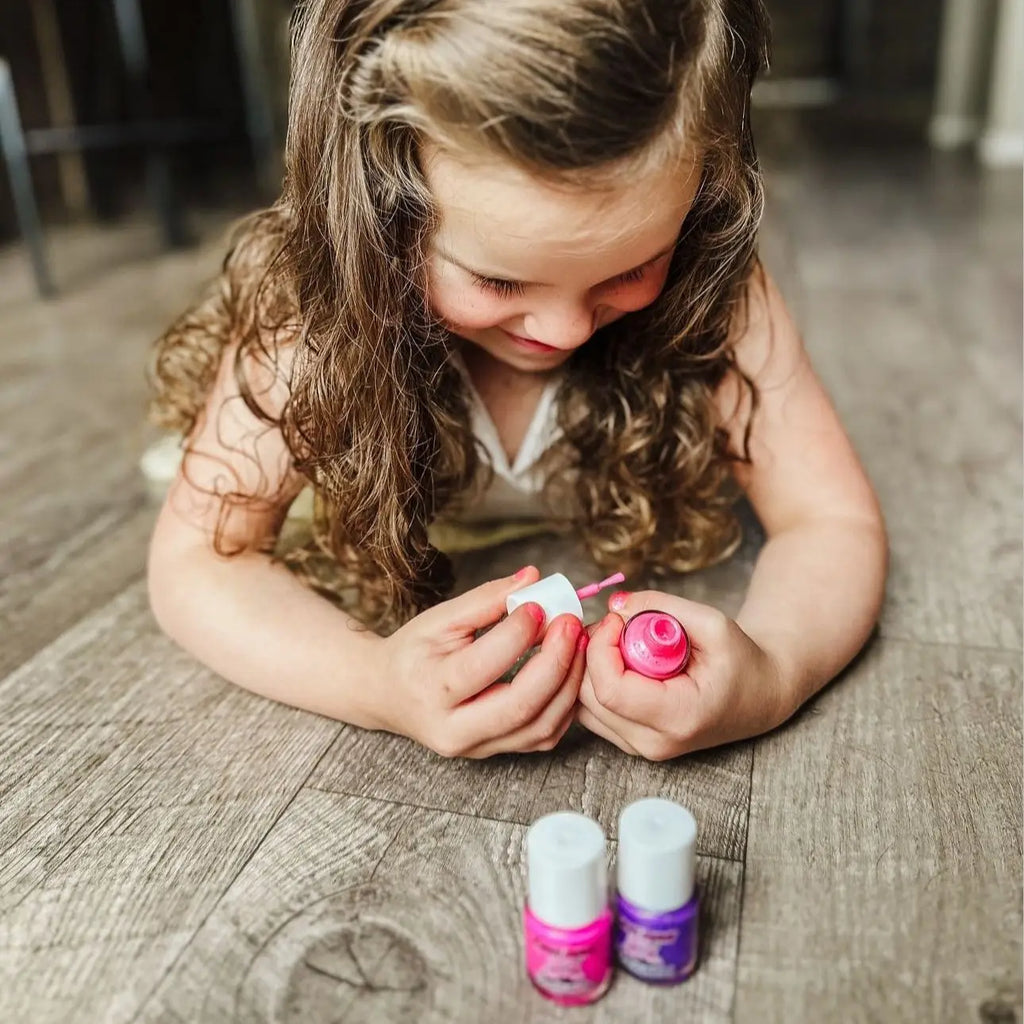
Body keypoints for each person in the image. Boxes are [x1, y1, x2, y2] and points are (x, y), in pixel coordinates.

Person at [146, 0, 887, 762]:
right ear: (375, 220)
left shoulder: (715, 289)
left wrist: (773, 669)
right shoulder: (309, 320)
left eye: (632, 267)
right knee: (221, 467)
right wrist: (372, 680)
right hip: (331, 442)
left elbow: (831, 521)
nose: (564, 331)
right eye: (498, 281)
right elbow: (200, 560)